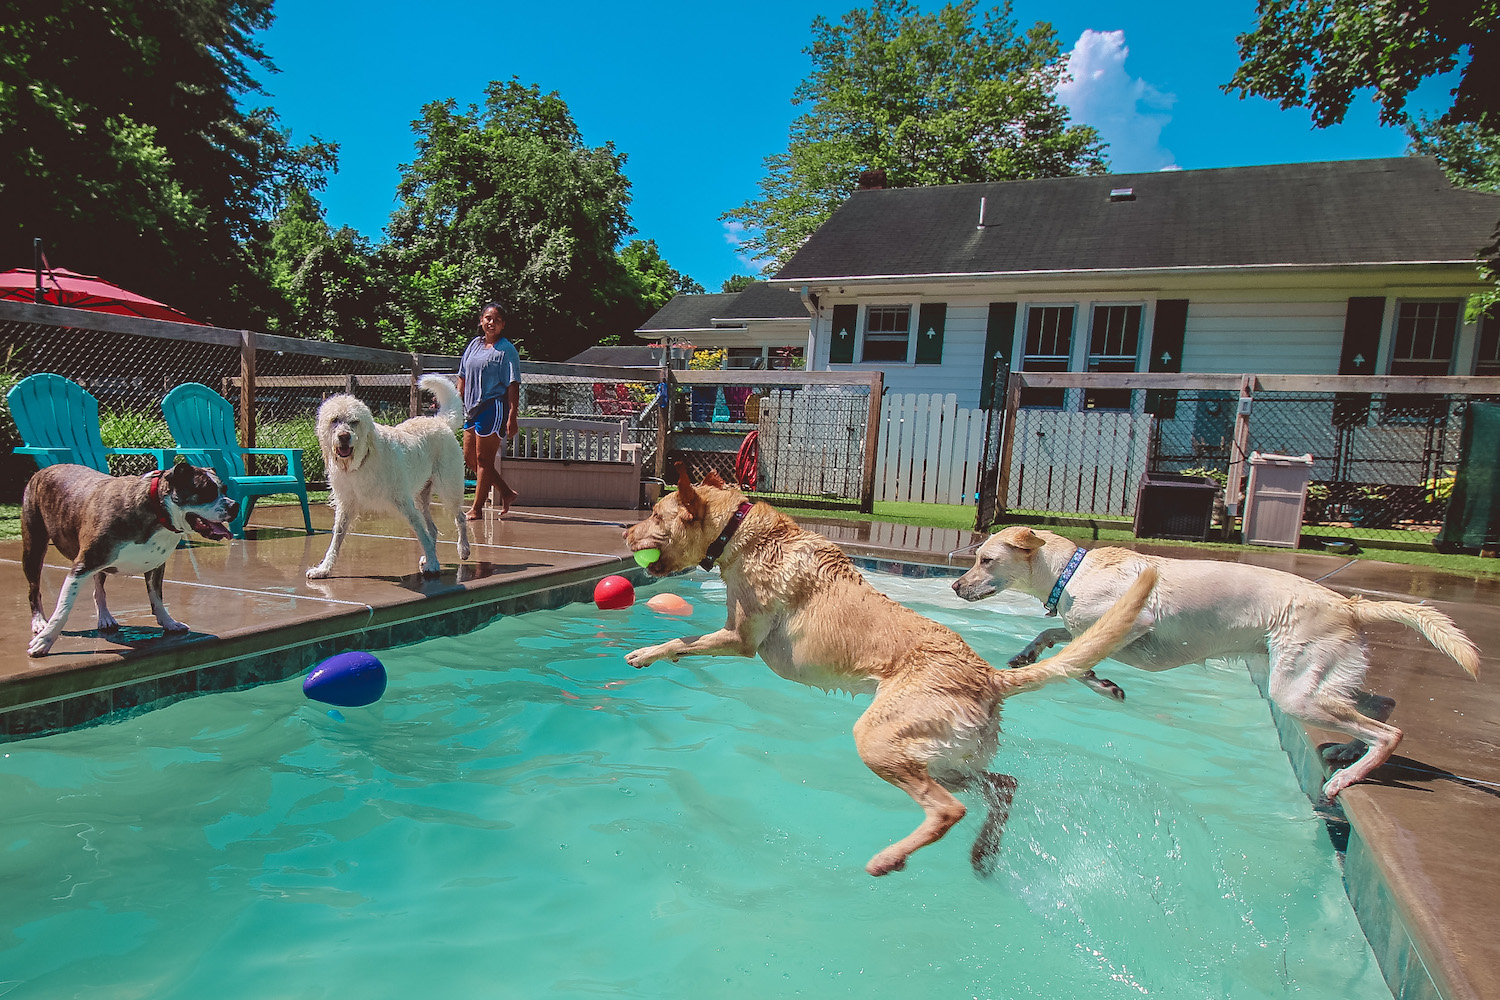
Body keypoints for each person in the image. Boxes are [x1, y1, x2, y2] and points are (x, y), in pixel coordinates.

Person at [457, 300, 521, 520]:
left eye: (497, 320)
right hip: (471, 408)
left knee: (484, 460)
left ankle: (477, 509)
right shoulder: (474, 345)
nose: (491, 323)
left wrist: (512, 416)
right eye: (488, 318)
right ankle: (506, 491)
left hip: (494, 406)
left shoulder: (507, 350)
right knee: (470, 459)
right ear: (481, 321)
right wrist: (458, 400)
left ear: (503, 325)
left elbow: (513, 384)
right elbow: (462, 376)